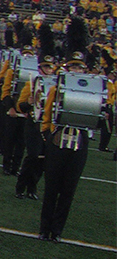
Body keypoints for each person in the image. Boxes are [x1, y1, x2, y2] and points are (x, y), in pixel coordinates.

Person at [38, 51, 91, 241]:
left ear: (84, 70)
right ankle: (44, 228)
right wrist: (47, 133)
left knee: (69, 189)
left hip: (80, 141)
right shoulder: (56, 89)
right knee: (51, 187)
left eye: (79, 67)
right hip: (58, 139)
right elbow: (47, 114)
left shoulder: (91, 91)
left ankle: (57, 230)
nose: (76, 70)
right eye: (73, 67)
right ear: (67, 69)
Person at [14, 54, 56, 200]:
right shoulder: (31, 84)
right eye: (46, 67)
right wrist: (29, 103)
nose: (49, 70)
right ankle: (20, 186)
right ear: (40, 68)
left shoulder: (57, 85)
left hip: (48, 125)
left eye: (50, 67)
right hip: (34, 124)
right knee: (33, 156)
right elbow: (20, 106)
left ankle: (32, 188)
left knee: (43, 159)